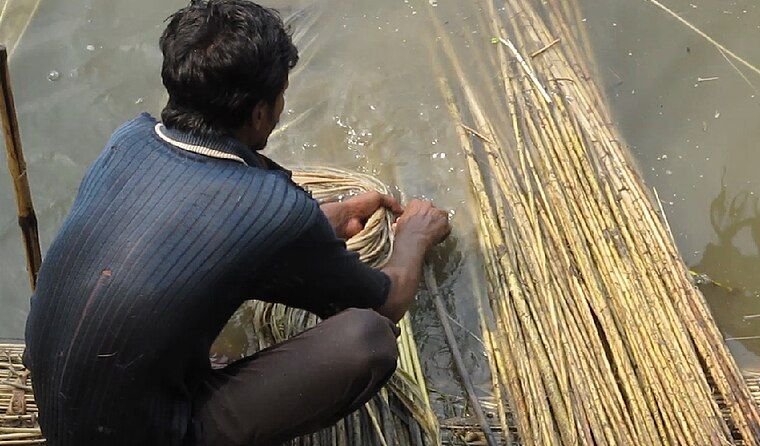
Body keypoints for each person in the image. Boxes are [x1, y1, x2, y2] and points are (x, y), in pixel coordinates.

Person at [22, 1, 451, 445]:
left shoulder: (128, 140)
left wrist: (323, 221)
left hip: (55, 397)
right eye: (281, 94)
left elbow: (189, 231)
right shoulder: (274, 209)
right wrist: (411, 238)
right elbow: (386, 302)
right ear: (260, 113)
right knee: (368, 338)